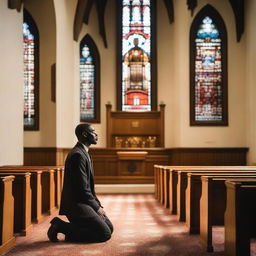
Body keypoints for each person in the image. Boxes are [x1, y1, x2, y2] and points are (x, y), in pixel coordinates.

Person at [47, 123, 113, 243]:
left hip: (84, 201)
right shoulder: (77, 155)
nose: (96, 134)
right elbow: (82, 189)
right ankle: (60, 226)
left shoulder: (84, 153)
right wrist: (97, 208)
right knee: (105, 234)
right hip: (76, 204)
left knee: (109, 227)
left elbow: (89, 188)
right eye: (93, 132)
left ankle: (73, 233)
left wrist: (98, 205)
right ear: (84, 134)